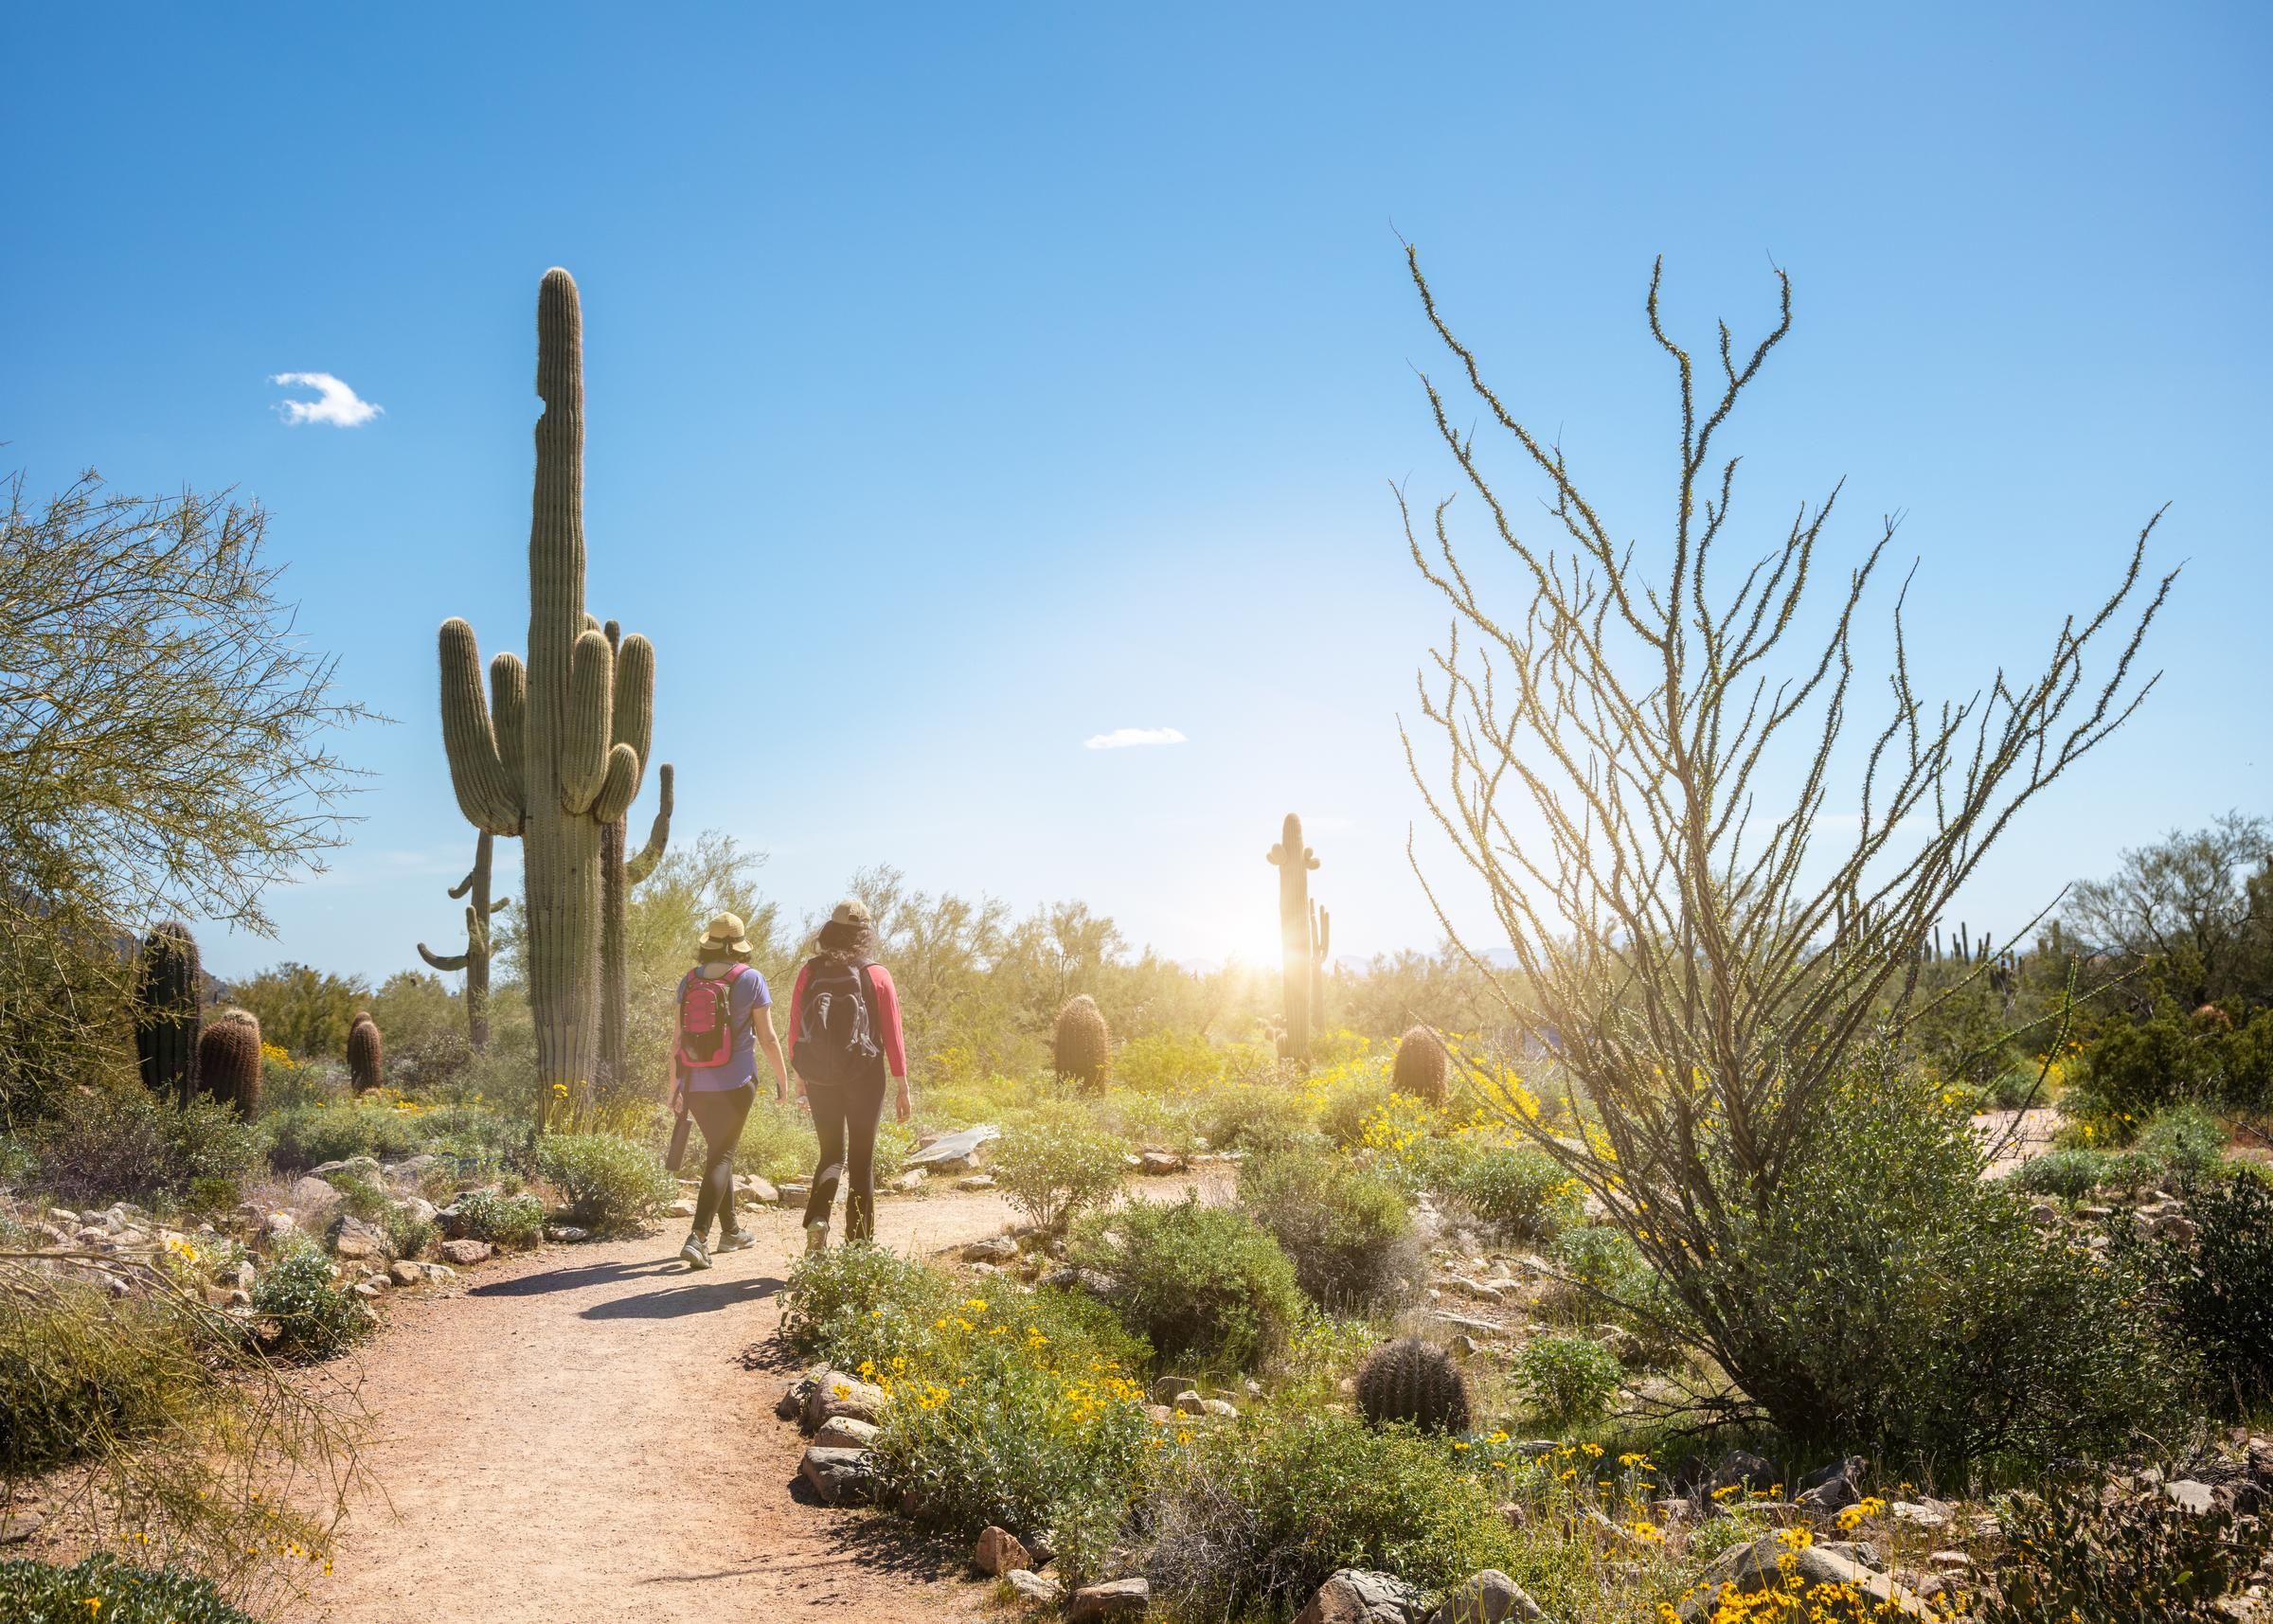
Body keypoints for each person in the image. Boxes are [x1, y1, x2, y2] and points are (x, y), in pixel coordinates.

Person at [786, 899, 910, 1251]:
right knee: (860, 1161)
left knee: (830, 1155)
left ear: (830, 930)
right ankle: (859, 1248)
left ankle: (817, 1221)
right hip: (866, 1077)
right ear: (865, 934)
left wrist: (801, 1079)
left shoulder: (809, 972)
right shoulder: (877, 974)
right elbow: (892, 1035)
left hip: (819, 1077)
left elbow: (796, 1029)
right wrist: (902, 1086)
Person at [671, 911, 790, 1271]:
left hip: (695, 1083)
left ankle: (731, 1232)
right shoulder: (750, 979)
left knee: (717, 1154)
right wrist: (783, 1079)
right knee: (721, 1156)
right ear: (739, 944)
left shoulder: (689, 981)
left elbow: (676, 1040)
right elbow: (767, 1037)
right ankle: (698, 1237)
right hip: (737, 1083)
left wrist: (674, 1085)